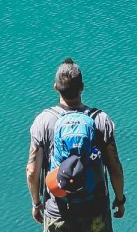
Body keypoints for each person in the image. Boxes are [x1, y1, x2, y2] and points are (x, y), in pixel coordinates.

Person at [27, 58, 126, 230]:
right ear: (82, 87)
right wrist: (120, 199)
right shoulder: (101, 120)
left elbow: (32, 171)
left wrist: (36, 203)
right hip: (95, 211)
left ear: (55, 87)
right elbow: (114, 168)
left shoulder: (43, 121)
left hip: (58, 213)